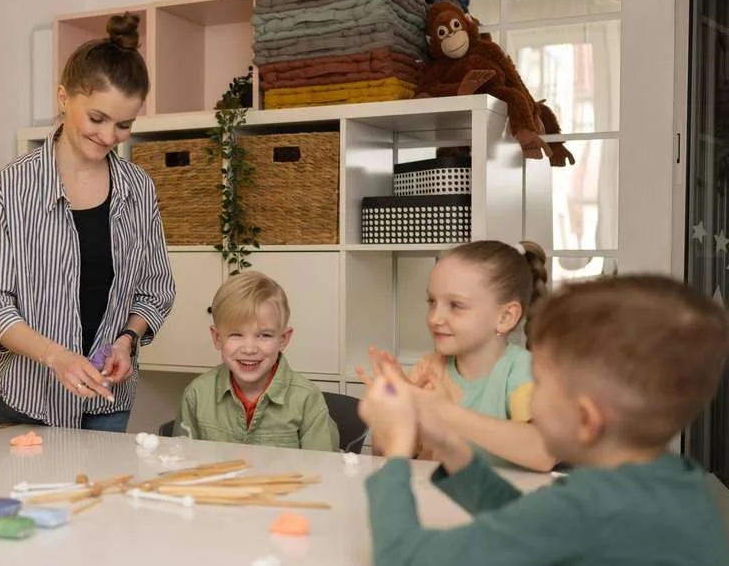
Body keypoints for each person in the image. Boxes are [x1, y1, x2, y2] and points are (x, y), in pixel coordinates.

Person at [358, 274, 729, 565]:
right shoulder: (670, 482)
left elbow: (402, 558)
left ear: (585, 418)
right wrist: (453, 449)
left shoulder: (588, 510)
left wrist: (397, 449)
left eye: (541, 381)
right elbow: (526, 520)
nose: (531, 393)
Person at [0, 12, 175, 432]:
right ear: (64, 98)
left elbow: (156, 289)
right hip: (28, 396)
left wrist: (127, 340)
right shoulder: (7, 191)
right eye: (97, 118)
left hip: (106, 397)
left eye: (124, 125)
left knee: (99, 497)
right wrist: (55, 357)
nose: (109, 135)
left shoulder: (138, 189)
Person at [359, 240, 555, 471]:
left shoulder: (525, 371)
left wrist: (445, 411)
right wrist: (395, 413)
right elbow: (387, 454)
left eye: (456, 305)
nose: (434, 318)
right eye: (432, 302)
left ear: (505, 317)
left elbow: (544, 452)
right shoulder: (429, 368)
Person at [178, 271, 339, 451]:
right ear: (217, 338)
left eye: (264, 335)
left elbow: (324, 472)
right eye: (236, 334)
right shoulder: (196, 395)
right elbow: (179, 463)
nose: (249, 349)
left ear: (283, 339)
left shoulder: (307, 400)